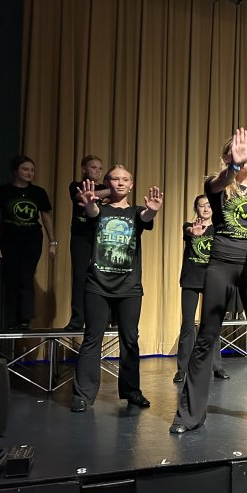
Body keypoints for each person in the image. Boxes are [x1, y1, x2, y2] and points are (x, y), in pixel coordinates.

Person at [170, 127, 247, 433]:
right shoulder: (217, 187)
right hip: (221, 266)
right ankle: (189, 415)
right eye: (242, 150)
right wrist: (233, 168)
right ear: (229, 156)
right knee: (206, 337)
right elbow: (219, 181)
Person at [70, 166, 163, 411]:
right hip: (97, 285)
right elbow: (92, 212)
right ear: (107, 183)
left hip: (129, 286)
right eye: (115, 179)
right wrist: (90, 202)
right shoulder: (100, 209)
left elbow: (145, 219)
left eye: (125, 180)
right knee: (92, 337)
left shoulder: (136, 212)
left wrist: (152, 211)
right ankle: (83, 395)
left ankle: (132, 391)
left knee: (130, 339)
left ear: (131, 185)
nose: (120, 183)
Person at [0, 155, 57, 330]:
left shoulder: (38, 192)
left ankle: (25, 319)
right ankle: (11, 320)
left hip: (31, 239)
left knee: (26, 277)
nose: (29, 173)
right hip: (8, 239)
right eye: (25, 169)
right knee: (11, 279)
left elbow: (46, 218)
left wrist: (52, 242)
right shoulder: (2, 192)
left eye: (32, 170)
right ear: (15, 171)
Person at [173, 195, 230, 383]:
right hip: (191, 279)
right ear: (195, 209)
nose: (205, 209)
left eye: (208, 205)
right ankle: (182, 368)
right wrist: (193, 231)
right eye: (201, 206)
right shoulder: (188, 226)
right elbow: (189, 231)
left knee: (212, 324)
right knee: (187, 324)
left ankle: (217, 366)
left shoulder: (219, 229)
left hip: (212, 281)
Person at [65, 156, 109, 331]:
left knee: (102, 275)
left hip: (100, 237)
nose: (97, 171)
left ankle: (104, 318)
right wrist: (109, 192)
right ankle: (77, 319)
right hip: (80, 236)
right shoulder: (75, 185)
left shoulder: (103, 187)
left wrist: (107, 191)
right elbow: (81, 196)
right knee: (80, 276)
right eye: (93, 167)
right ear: (84, 168)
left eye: (100, 168)